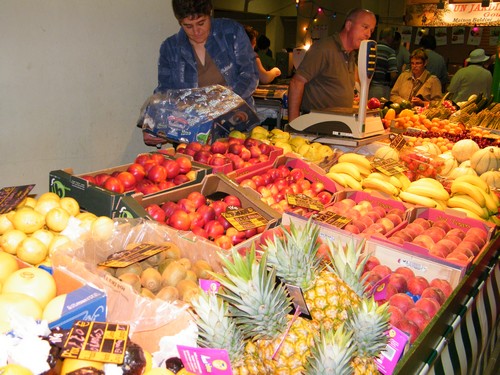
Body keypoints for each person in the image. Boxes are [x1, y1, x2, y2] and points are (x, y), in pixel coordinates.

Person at [143, 0, 259, 146]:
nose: (196, 31)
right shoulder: (170, 47)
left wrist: (220, 106)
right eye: (188, 26)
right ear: (180, 22)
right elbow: (165, 92)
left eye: (201, 23)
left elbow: (250, 75)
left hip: (236, 126)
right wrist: (154, 124)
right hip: (191, 133)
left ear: (209, 14)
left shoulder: (231, 32)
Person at [287, 8, 377, 122]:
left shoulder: (351, 54)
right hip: (317, 125)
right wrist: (293, 123)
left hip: (338, 124)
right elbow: (296, 83)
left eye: (371, 30)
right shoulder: (324, 48)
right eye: (365, 27)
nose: (368, 34)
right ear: (348, 25)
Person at [368, 27, 398, 100]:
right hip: (382, 88)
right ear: (388, 37)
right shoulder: (390, 51)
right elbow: (393, 74)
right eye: (392, 37)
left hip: (369, 87)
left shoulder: (372, 48)